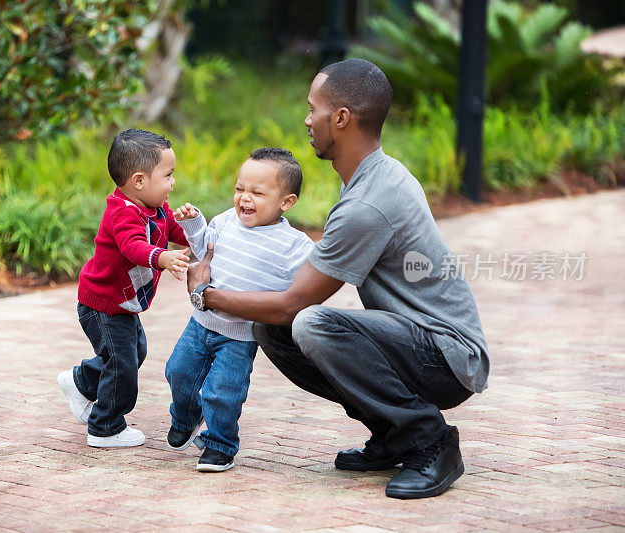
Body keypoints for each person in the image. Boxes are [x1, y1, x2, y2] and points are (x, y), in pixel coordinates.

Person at [185, 59, 489, 499]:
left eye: (314, 109)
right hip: (425, 344)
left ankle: (430, 443)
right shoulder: (376, 175)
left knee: (308, 324)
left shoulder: (368, 201)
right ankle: (390, 434)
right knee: (276, 331)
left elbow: (293, 303)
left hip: (446, 356)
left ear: (342, 118)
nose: (307, 120)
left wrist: (205, 294)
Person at [166, 147, 314, 472]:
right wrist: (193, 225)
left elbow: (314, 276)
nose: (244, 198)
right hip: (201, 322)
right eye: (239, 189)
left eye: (257, 192)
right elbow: (203, 246)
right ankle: (187, 415)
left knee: (223, 391)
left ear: (286, 202)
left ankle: (220, 445)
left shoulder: (293, 244)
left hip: (240, 337)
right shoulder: (225, 221)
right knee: (177, 370)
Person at [58, 128, 191, 448]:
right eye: (168, 175)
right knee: (123, 367)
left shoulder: (154, 207)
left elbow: (173, 228)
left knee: (134, 353)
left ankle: (82, 381)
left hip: (120, 304)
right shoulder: (123, 212)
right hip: (101, 305)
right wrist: (162, 258)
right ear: (139, 181)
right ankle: (105, 425)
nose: (173, 182)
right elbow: (133, 247)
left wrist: (195, 230)